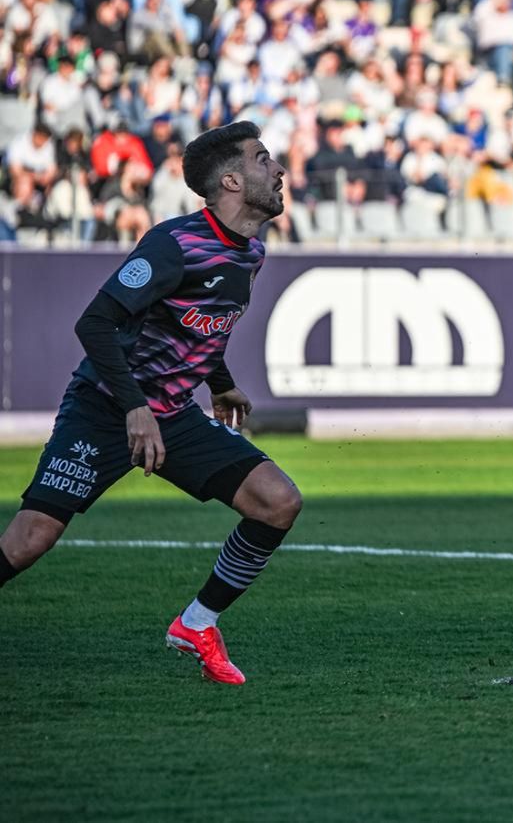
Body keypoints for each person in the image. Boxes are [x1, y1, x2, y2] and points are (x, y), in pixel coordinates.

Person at [0, 122, 301, 685]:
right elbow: (95, 323)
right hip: (106, 408)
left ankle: (197, 622)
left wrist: (220, 382)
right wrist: (135, 408)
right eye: (264, 159)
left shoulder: (250, 252)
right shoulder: (173, 243)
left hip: (173, 416)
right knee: (29, 540)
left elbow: (195, 330)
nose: (279, 169)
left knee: (277, 501)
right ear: (232, 180)